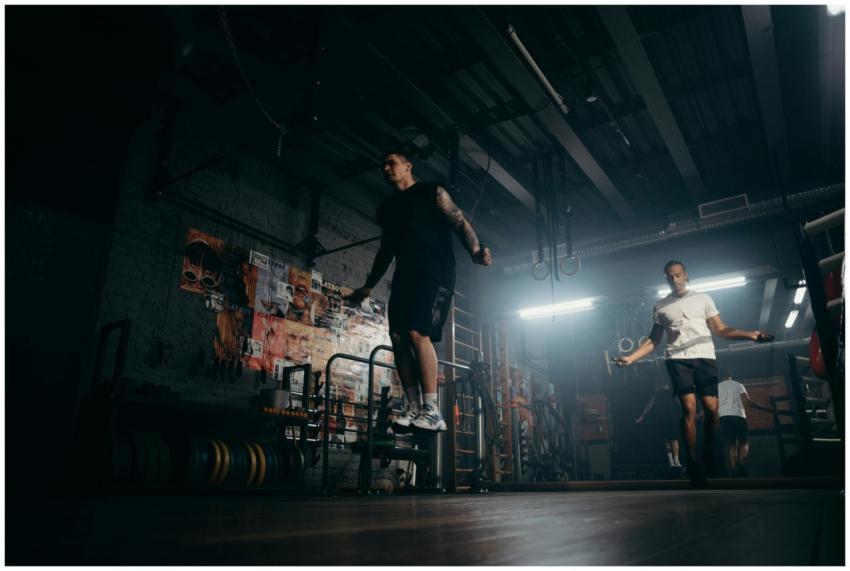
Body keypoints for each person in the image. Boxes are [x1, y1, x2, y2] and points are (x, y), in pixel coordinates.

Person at [345, 152, 492, 432]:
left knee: (416, 332)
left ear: (408, 166)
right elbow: (386, 250)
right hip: (405, 275)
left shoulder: (431, 191)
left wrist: (475, 250)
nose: (386, 168)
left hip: (435, 271)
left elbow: (458, 221)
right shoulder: (386, 209)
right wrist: (368, 285)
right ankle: (413, 406)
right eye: (383, 165)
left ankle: (432, 410)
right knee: (398, 337)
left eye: (392, 163)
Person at [614, 260, 773, 487]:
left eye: (678, 275)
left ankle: (708, 448)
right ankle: (693, 461)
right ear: (666, 279)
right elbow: (653, 340)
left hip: (705, 357)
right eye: (670, 277)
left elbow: (721, 329)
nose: (675, 280)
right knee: (689, 408)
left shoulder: (703, 299)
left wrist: (751, 335)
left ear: (686, 275)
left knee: (711, 410)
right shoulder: (660, 306)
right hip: (677, 359)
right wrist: (630, 358)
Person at [718, 373, 774, 477]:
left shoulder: (717, 386)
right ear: (731, 375)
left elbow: (712, 404)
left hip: (724, 417)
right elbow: (747, 402)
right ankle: (740, 462)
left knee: (731, 444)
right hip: (738, 415)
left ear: (722, 376)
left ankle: (734, 469)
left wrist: (700, 416)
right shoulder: (738, 385)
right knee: (744, 442)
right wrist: (765, 408)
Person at [635, 376, 682, 469]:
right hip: (672, 419)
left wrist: (641, 416)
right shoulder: (672, 392)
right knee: (674, 440)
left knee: (667, 441)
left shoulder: (656, 394)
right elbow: (679, 405)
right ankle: (676, 461)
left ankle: (671, 462)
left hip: (662, 419)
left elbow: (649, 406)